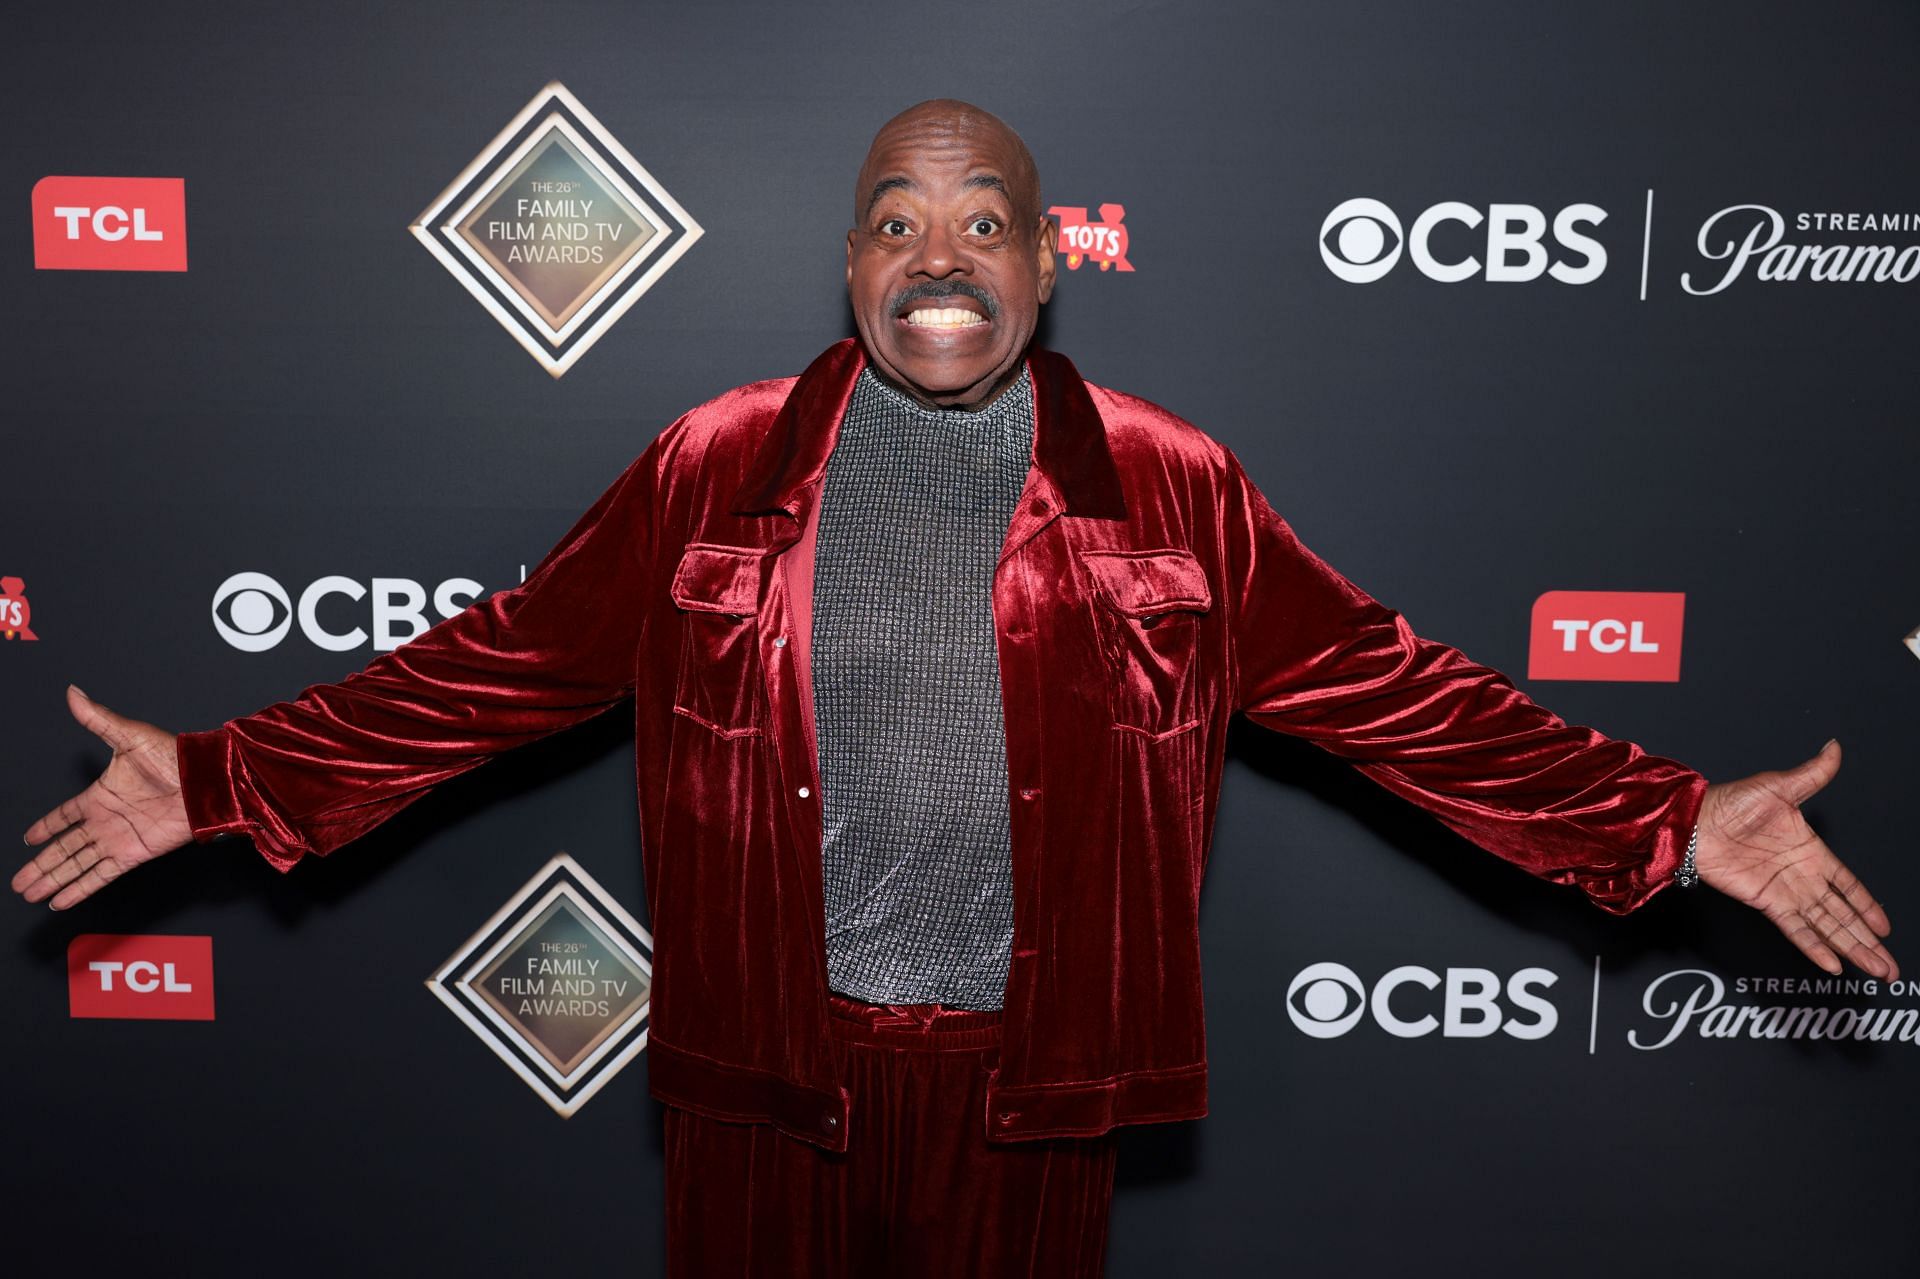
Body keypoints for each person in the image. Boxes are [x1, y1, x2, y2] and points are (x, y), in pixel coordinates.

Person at [11, 100, 1899, 1277]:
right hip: (770, 1076)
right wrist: (221, 776)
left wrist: (1666, 817)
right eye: (899, 221)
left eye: (983, 219)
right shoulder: (710, 460)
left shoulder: (1176, 481)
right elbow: (503, 663)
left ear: (1046, 268)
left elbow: (1397, 691)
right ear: (849, 267)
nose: (940, 255)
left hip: (1028, 1085)